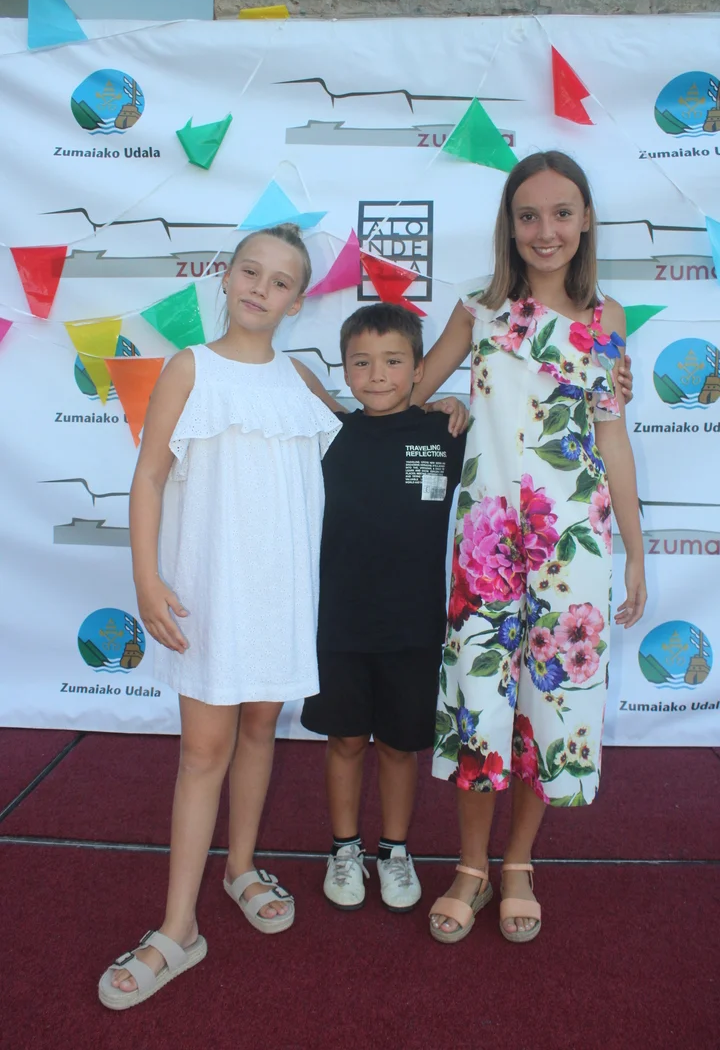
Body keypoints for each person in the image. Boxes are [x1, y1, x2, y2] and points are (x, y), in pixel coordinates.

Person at [98, 223, 344, 1010]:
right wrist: (146, 579)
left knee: (261, 728)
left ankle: (240, 869)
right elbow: (148, 477)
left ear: (297, 302)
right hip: (210, 593)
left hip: (281, 595)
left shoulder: (300, 379)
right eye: (250, 271)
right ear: (227, 276)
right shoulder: (189, 367)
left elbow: (371, 424)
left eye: (280, 281)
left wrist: (437, 400)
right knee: (203, 752)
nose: (260, 288)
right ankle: (178, 928)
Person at [410, 151, 646, 945]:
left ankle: (517, 863)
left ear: (586, 221)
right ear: (509, 226)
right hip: (485, 543)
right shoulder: (478, 310)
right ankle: (470, 867)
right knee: (478, 704)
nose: (546, 230)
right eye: (529, 215)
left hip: (573, 546)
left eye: (562, 213)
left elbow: (612, 441)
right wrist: (444, 404)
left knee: (553, 706)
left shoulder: (607, 320)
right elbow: (409, 393)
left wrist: (636, 553)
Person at [301, 302, 468, 913]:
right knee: (345, 741)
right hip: (339, 626)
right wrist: (323, 396)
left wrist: (456, 403)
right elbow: (289, 373)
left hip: (414, 627)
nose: (377, 375)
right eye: (361, 362)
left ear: (420, 368)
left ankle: (394, 851)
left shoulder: (446, 433)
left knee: (400, 747)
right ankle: (345, 848)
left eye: (394, 362)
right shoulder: (329, 433)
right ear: (344, 369)